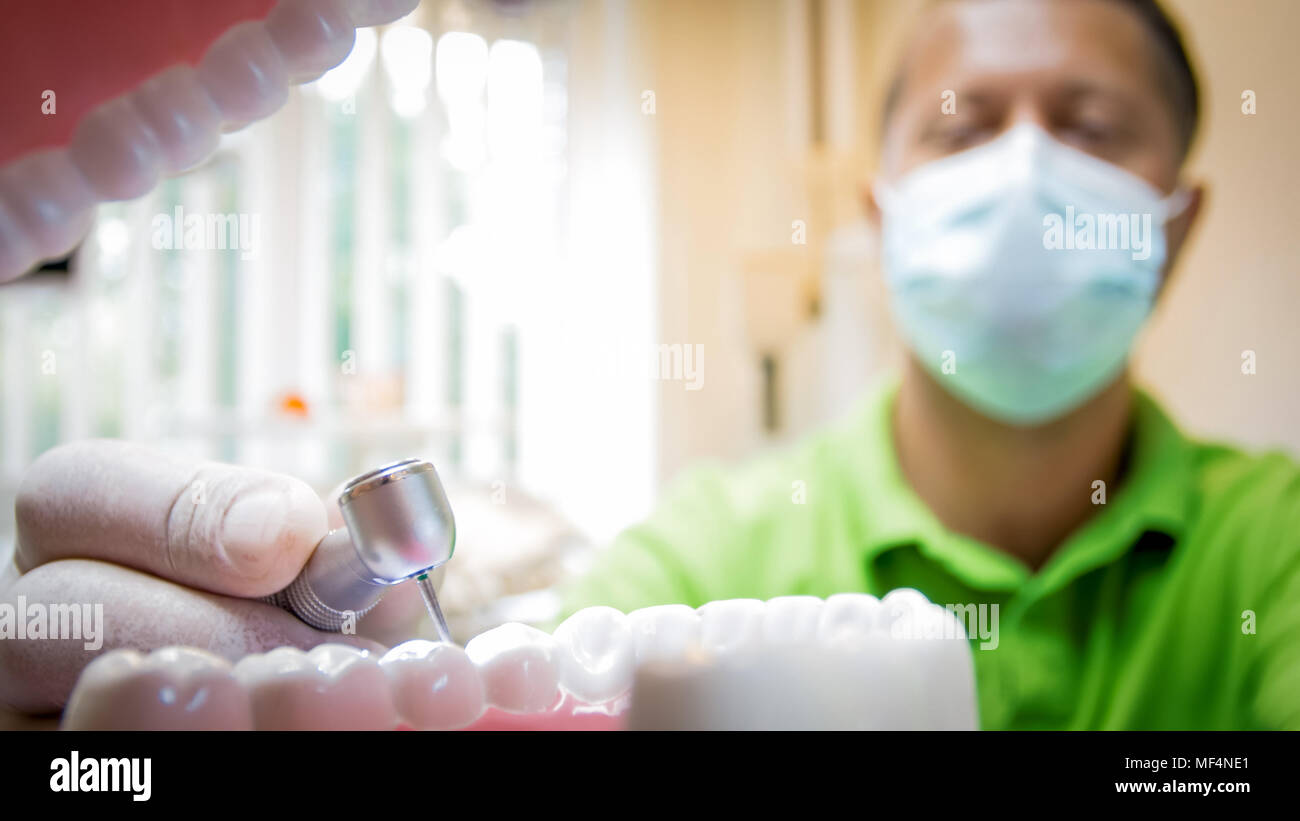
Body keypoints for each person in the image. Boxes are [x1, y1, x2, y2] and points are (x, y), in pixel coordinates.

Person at [2, 0, 1296, 730]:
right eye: (963, 129)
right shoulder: (709, 557)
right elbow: (534, 695)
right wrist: (355, 669)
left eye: (1088, 127)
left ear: (1177, 226)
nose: (1020, 171)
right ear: (879, 206)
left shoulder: (1277, 552)